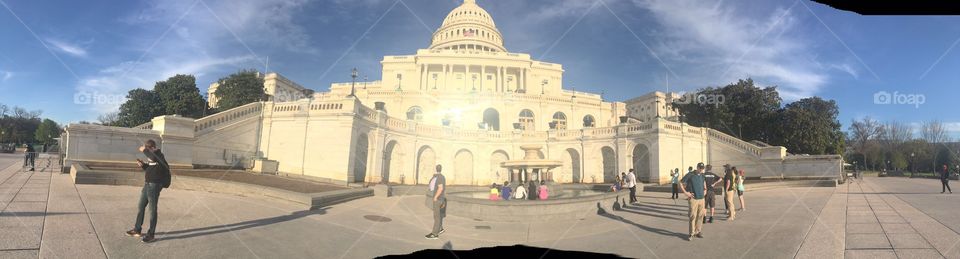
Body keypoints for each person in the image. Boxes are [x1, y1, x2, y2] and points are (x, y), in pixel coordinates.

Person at [125, 139, 171, 243]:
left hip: (155, 186)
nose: (147, 153)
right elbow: (152, 170)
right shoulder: (152, 157)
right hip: (147, 185)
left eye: (149, 150)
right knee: (140, 206)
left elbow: (153, 158)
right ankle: (137, 229)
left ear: (153, 148)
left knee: (152, 210)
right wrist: (143, 166)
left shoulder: (159, 155)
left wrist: (144, 150)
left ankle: (151, 234)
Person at [680, 162, 707, 241]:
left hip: (702, 199)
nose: (701, 170)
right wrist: (686, 193)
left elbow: (704, 182)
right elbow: (681, 183)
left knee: (700, 216)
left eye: (702, 168)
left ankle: (698, 231)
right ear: (697, 167)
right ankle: (691, 233)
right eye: (700, 168)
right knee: (693, 216)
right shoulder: (690, 174)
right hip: (693, 199)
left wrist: (705, 189)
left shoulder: (702, 175)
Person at [425, 164, 447, 239]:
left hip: (438, 199)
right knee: (440, 216)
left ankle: (434, 234)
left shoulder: (439, 177)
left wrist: (435, 197)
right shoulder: (440, 177)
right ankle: (440, 229)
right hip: (442, 199)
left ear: (436, 169)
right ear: (441, 169)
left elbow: (440, 188)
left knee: (436, 217)